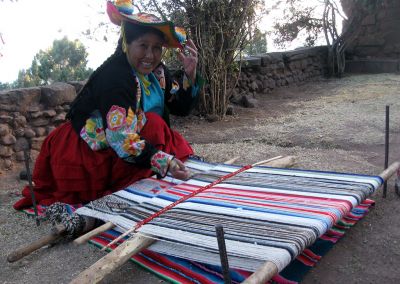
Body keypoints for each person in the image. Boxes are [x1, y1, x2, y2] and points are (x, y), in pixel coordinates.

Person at [14, 0, 202, 209]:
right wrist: (165, 162)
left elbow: (180, 108)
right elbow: (120, 138)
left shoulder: (158, 73)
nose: (150, 55)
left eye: (156, 48)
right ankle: (131, 186)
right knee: (155, 125)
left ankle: (145, 174)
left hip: (132, 141)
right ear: (126, 43)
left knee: (156, 125)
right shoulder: (115, 77)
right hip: (90, 147)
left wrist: (190, 74)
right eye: (143, 46)